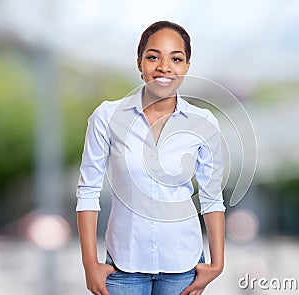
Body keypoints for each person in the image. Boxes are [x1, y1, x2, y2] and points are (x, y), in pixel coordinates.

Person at [76, 20, 225, 295]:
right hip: (124, 267)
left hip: (184, 267)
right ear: (139, 63)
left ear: (187, 67)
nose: (164, 67)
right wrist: (89, 263)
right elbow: (88, 191)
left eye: (176, 58)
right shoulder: (108, 117)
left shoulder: (203, 122)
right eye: (153, 57)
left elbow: (212, 196)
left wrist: (218, 264)